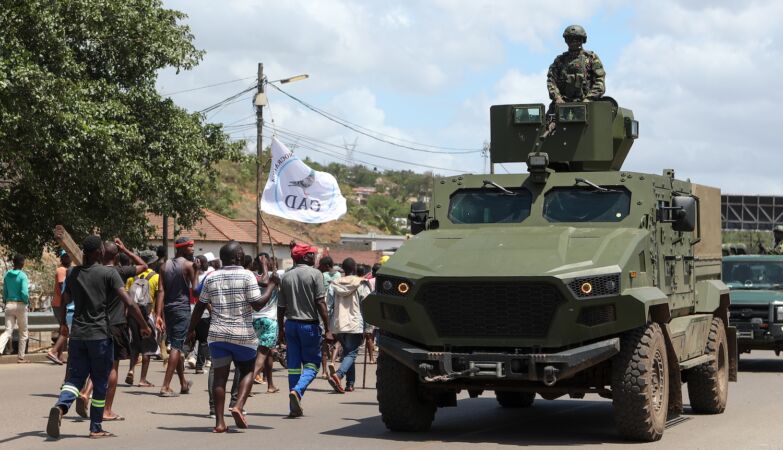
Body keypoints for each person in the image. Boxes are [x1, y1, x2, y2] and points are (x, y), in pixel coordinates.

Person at [47, 235, 151, 439]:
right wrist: (144, 325)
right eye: (101, 248)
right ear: (98, 253)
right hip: (99, 335)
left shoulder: (73, 273)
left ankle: (60, 406)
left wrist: (62, 325)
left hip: (77, 334)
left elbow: (64, 300)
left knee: (75, 378)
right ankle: (95, 427)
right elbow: (129, 302)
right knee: (100, 380)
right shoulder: (108, 274)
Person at [188, 241, 278, 433]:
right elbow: (257, 304)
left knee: (219, 378)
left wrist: (190, 329)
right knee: (247, 371)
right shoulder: (247, 275)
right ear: (238, 257)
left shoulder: (212, 277)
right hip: (242, 335)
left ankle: (219, 423)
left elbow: (200, 306)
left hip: (217, 335)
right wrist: (270, 286)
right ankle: (237, 405)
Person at [277, 243, 333, 417]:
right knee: (313, 365)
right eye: (312, 254)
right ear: (305, 257)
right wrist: (328, 329)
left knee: (293, 366)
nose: (315, 257)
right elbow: (320, 302)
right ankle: (298, 391)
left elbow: (280, 307)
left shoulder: (286, 276)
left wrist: (281, 330)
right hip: (309, 325)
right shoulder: (315, 274)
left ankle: (293, 404)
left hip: (290, 325)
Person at [101, 239, 147, 421]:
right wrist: (126, 249)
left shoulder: (93, 272)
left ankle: (85, 392)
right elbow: (143, 266)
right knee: (113, 367)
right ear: (116, 256)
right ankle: (107, 410)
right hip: (117, 324)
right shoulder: (120, 272)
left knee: (97, 365)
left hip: (97, 324)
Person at [156, 236, 197, 397]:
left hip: (168, 309)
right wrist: (197, 272)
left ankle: (183, 383)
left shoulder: (164, 266)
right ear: (181, 248)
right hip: (182, 309)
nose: (193, 249)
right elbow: (196, 290)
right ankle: (165, 386)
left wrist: (159, 314)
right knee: (176, 347)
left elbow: (161, 291)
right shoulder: (188, 265)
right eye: (190, 246)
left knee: (175, 345)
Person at [327, 258, 371, 393]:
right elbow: (367, 307)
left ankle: (349, 384)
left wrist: (328, 327)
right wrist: (368, 327)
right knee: (352, 353)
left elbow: (329, 306)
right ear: (355, 268)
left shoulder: (334, 284)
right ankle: (338, 375)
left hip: (339, 324)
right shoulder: (361, 283)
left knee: (347, 352)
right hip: (355, 324)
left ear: (343, 269)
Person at [546, 24, 605, 106]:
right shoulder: (559, 60)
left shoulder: (591, 58)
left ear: (582, 40)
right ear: (566, 41)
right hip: (562, 105)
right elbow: (551, 81)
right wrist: (558, 98)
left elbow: (599, 82)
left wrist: (588, 99)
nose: (574, 42)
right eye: (570, 39)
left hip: (588, 105)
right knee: (548, 118)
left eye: (577, 39)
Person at [125, 250, 160, 388]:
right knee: (147, 347)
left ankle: (131, 370)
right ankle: (143, 379)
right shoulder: (156, 277)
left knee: (135, 345)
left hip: (133, 315)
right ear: (153, 262)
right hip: (147, 315)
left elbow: (127, 298)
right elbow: (158, 297)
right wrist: (159, 316)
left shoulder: (131, 277)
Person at [251, 253, 280, 393]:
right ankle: (247, 383)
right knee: (261, 355)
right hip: (269, 320)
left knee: (267, 352)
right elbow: (265, 281)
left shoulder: (252, 276)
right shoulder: (273, 278)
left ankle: (270, 384)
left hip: (254, 319)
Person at [1, 254, 30, 363]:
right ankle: (21, 357)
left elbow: (5, 292)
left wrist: (6, 301)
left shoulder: (7, 275)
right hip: (20, 305)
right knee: (23, 332)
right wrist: (26, 301)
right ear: (21, 263)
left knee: (8, 331)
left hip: (9, 304)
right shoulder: (23, 276)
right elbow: (24, 292)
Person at [48, 251, 72, 365]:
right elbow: (64, 288)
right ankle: (54, 352)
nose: (69, 259)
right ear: (63, 259)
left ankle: (60, 355)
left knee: (63, 329)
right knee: (64, 329)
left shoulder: (65, 270)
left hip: (60, 304)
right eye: (66, 257)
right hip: (60, 304)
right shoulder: (62, 270)